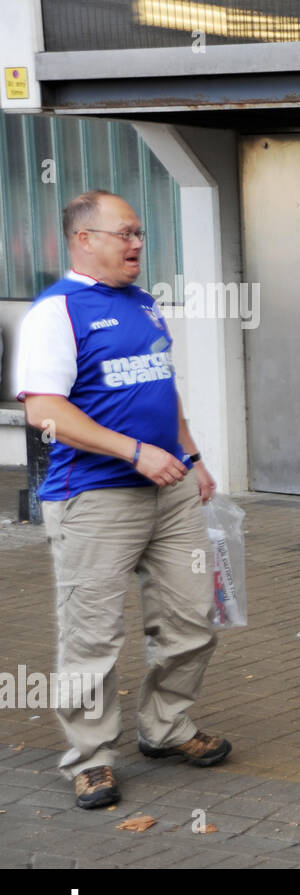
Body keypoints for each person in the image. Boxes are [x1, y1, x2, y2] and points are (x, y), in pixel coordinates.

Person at [16, 190, 230, 810]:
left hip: (171, 493)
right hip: (95, 499)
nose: (138, 244)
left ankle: (165, 728)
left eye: (139, 234)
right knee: (93, 637)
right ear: (84, 240)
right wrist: (134, 452)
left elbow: (162, 385)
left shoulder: (142, 302)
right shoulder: (55, 312)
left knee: (193, 620)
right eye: (125, 234)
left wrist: (192, 458)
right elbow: (45, 413)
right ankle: (89, 757)